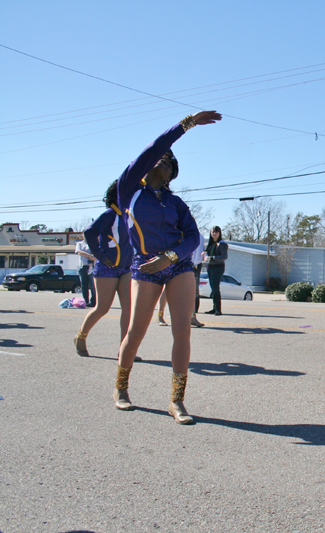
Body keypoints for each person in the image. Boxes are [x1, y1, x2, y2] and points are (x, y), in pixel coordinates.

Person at [113, 111, 221, 425]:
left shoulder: (177, 204)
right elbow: (153, 148)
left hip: (178, 266)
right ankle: (121, 388)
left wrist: (171, 258)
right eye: (157, 158)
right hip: (144, 266)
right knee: (136, 332)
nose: (161, 160)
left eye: (168, 160)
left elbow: (193, 237)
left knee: (182, 331)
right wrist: (186, 124)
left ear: (173, 173)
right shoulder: (130, 189)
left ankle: (177, 400)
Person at [73, 180, 139, 361]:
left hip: (127, 268)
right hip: (107, 268)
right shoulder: (110, 214)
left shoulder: (130, 215)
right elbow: (89, 232)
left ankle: (124, 350)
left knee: (129, 309)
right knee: (102, 308)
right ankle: (80, 337)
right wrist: (100, 255)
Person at [203, 226, 227, 316]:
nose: (214, 234)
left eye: (216, 232)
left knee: (216, 288)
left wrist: (212, 258)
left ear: (219, 233)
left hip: (218, 267)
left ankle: (218, 309)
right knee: (213, 288)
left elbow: (224, 257)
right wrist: (204, 254)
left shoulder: (222, 244)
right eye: (213, 232)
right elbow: (207, 254)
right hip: (210, 267)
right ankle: (214, 308)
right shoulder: (211, 244)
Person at [74, 239, 97, 307]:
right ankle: (85, 301)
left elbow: (96, 254)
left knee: (93, 286)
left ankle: (93, 302)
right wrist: (90, 256)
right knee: (84, 285)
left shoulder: (93, 243)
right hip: (83, 266)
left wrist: (93, 257)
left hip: (92, 267)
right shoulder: (80, 244)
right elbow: (79, 252)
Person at [191, 239, 205, 327]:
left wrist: (196, 263)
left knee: (193, 291)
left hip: (195, 265)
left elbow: (201, 251)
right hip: (183, 263)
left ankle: (192, 317)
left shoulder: (199, 236)